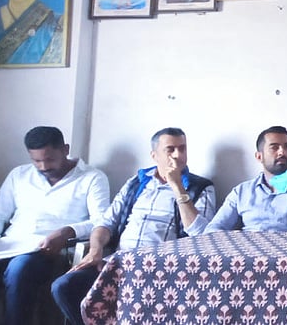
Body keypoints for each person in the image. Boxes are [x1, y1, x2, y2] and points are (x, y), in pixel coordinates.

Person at [51, 127, 216, 325]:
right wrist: (96, 250)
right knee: (63, 286)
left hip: (162, 269)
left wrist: (177, 186)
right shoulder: (136, 183)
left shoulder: (201, 187)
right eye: (170, 149)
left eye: (183, 149)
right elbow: (106, 223)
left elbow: (202, 235)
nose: (178, 155)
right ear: (154, 155)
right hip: (118, 263)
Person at [0, 127, 110, 325]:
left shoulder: (92, 177)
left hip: (48, 250)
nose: (43, 166)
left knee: (19, 269)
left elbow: (102, 220)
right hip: (9, 245)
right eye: (36, 160)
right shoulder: (19, 175)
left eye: (49, 159)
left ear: (65, 149)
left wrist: (67, 231)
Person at [204, 126, 287, 233]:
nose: (282, 152)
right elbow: (213, 229)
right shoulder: (241, 192)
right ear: (259, 156)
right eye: (274, 147)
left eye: (286, 147)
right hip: (249, 255)